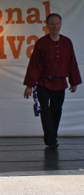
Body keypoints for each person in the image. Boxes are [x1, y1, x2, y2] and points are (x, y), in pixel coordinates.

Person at [23, 13, 81, 150]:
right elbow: (34, 64)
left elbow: (72, 62)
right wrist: (30, 85)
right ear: (47, 25)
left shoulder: (67, 42)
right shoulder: (41, 43)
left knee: (56, 110)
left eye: (58, 23)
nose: (56, 26)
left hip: (60, 83)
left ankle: (52, 136)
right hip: (44, 83)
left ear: (61, 24)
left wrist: (74, 81)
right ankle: (50, 138)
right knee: (45, 110)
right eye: (53, 24)